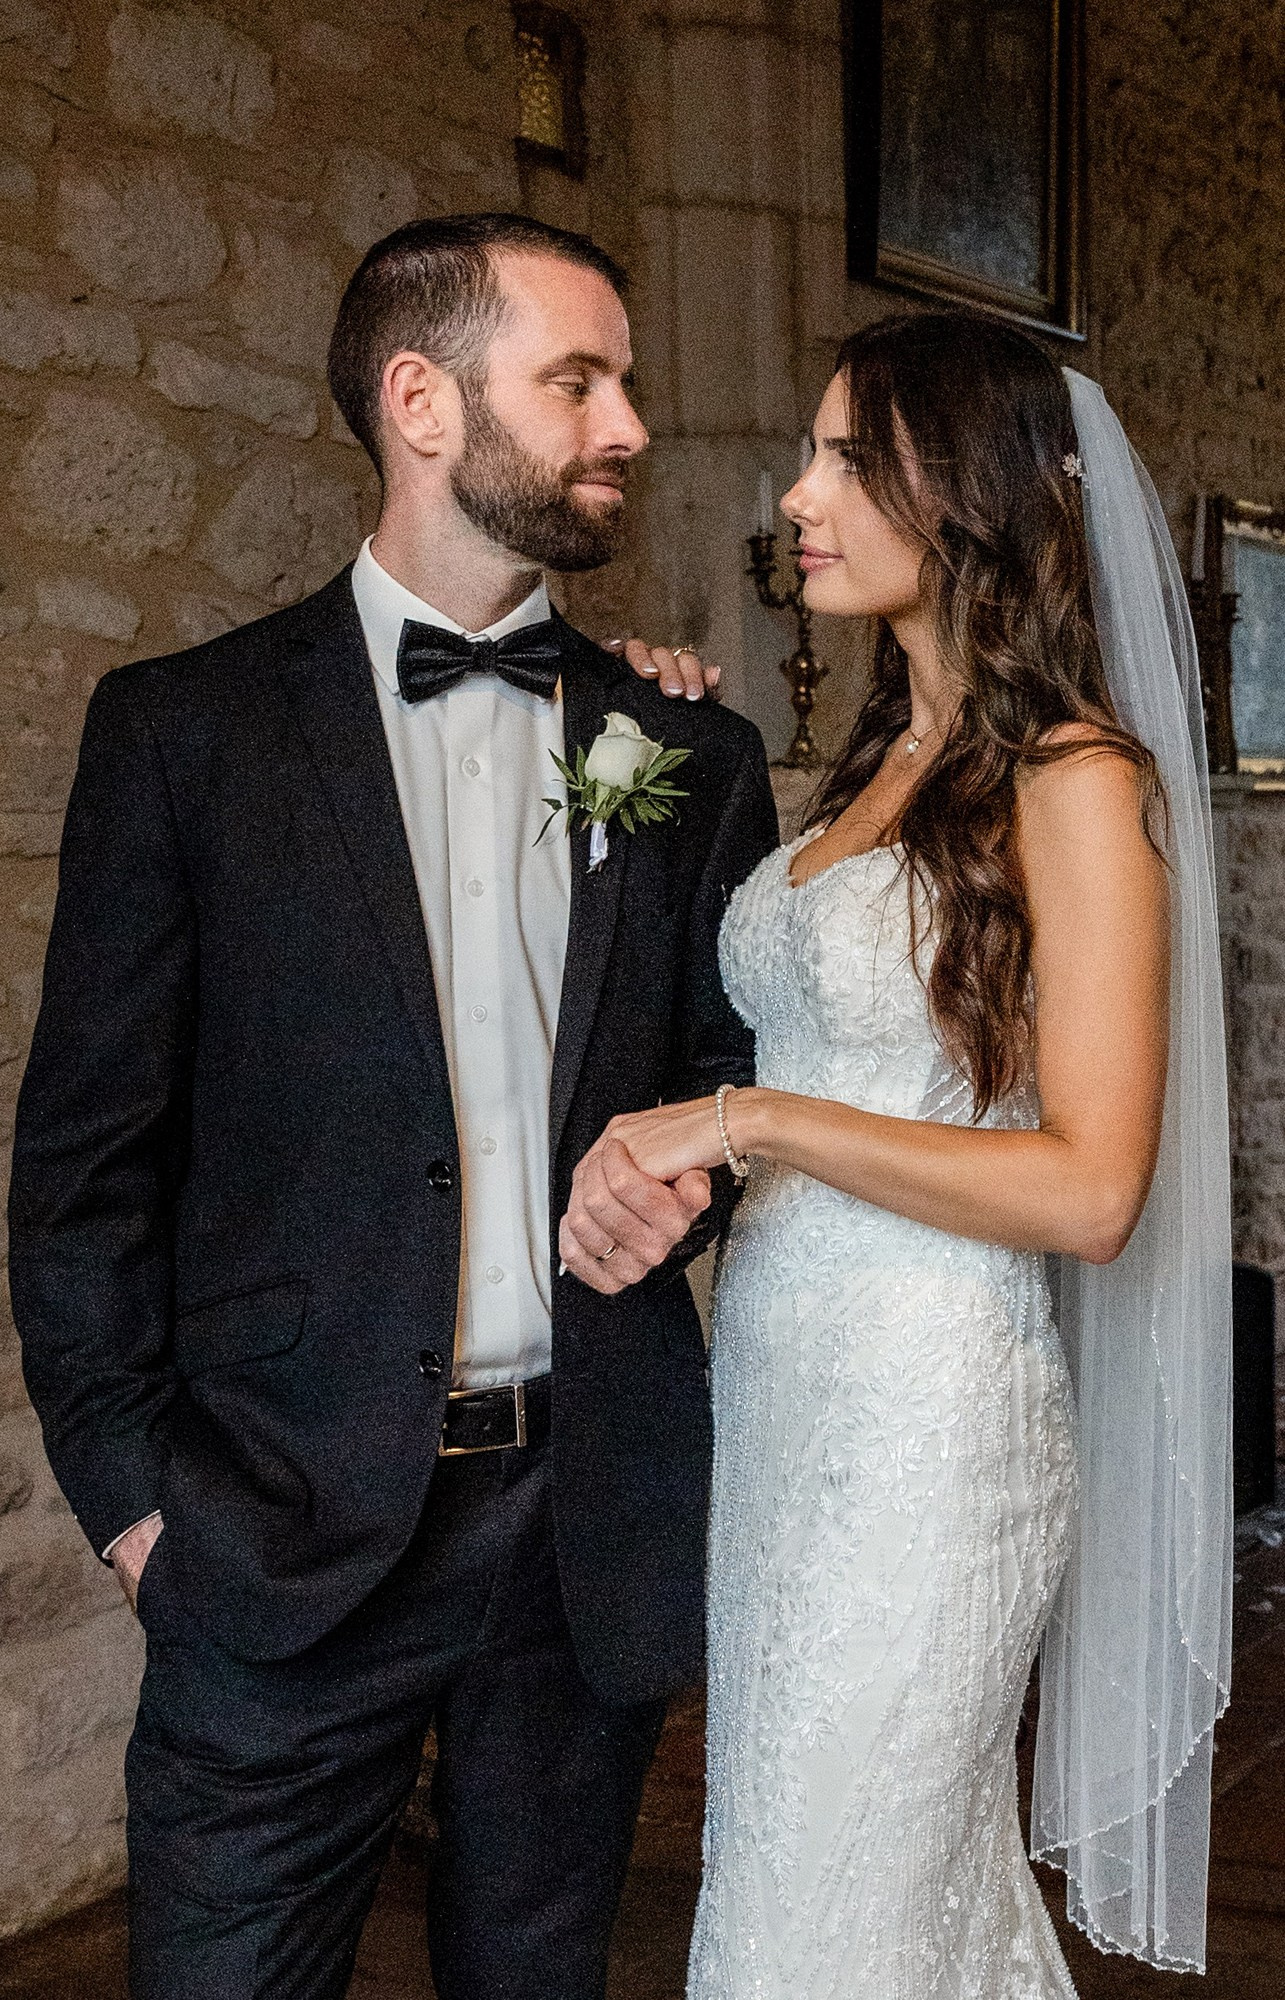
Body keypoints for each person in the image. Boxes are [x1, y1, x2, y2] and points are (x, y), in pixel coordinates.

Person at [8, 212, 779, 2000]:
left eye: (629, 382)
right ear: (420, 400)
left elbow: (732, 1076)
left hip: (580, 1524)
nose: (631, 427)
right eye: (578, 379)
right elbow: (83, 1173)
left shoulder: (685, 750)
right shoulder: (183, 734)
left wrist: (695, 1177)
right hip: (273, 1531)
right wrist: (135, 1508)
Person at [572, 311, 1233, 1995]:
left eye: (846, 458)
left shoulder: (1075, 776)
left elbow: (1091, 1189)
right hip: (786, 1412)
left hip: (934, 1438)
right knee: (831, 1894)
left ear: (972, 495)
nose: (796, 494)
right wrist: (630, 704)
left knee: (821, 1927)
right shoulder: (874, 761)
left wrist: (752, 1121)